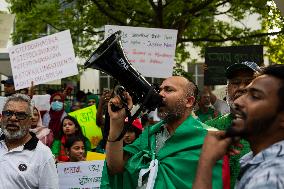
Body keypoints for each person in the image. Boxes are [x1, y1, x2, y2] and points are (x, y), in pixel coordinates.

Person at [100, 76, 223, 188]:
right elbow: (115, 167)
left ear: (189, 101)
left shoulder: (208, 140)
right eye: (160, 90)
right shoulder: (150, 136)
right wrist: (117, 122)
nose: (160, 95)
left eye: (168, 90)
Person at [193, 64, 284, 189]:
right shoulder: (252, 159)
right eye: (235, 83)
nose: (238, 101)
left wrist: (206, 163)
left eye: (255, 96)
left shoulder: (269, 179)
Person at [205, 61, 260, 188]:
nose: (241, 87)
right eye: (235, 83)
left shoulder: (272, 129)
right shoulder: (208, 128)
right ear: (227, 89)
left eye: (248, 82)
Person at [0, 93, 58, 188]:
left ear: (31, 120)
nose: (13, 118)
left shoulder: (43, 155)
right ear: (2, 117)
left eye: (21, 115)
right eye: (8, 113)